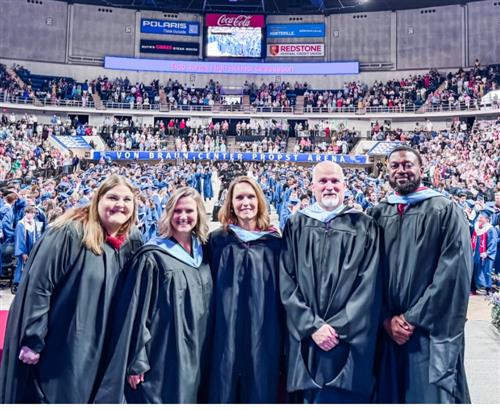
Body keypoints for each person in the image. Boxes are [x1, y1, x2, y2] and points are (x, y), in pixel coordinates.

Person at [0, 175, 143, 403]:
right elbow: (40, 287)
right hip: (65, 343)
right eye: (112, 197)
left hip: (105, 344)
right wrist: (33, 339)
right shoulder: (70, 234)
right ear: (98, 200)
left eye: (127, 199)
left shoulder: (132, 241)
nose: (120, 204)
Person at [370, 146, 472, 403]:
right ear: (388, 171)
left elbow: (453, 273)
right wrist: (385, 319)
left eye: (407, 165)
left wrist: (410, 319)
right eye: (395, 166)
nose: (401, 170)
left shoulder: (445, 210)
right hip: (387, 332)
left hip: (427, 333)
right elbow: (366, 275)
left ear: (421, 170)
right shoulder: (378, 213)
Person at [94, 187, 213, 403]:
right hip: (163, 353)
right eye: (177, 211)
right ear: (168, 214)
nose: (183, 217)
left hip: (196, 352)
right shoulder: (152, 258)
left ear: (199, 214)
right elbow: (136, 312)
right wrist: (137, 360)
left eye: (189, 211)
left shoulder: (203, 254)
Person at [279, 161, 381, 404]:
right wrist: (312, 326)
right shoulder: (297, 224)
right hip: (307, 339)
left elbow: (369, 285)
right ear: (312, 186)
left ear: (344, 186)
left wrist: (337, 329)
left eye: (335, 181)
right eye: (323, 181)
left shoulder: (364, 225)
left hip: (347, 340)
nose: (329, 187)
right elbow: (286, 280)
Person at [207, 176, 283, 403]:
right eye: (239, 197)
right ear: (230, 203)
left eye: (251, 196)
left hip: (264, 334)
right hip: (223, 334)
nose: (245, 202)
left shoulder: (274, 243)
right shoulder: (217, 241)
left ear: (260, 201)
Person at [11, 206, 42, 293]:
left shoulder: (35, 223)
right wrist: (23, 252)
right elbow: (20, 239)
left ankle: (27, 284)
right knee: (21, 265)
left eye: (32, 213)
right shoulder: (20, 224)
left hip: (32, 248)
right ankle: (17, 284)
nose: (30, 215)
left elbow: (38, 236)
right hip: (24, 248)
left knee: (31, 266)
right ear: (25, 213)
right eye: (28, 213)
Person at [471, 208, 497, 295]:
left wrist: (487, 253)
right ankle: (476, 286)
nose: (479, 219)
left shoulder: (490, 229)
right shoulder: (476, 227)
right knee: (475, 268)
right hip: (476, 253)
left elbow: (493, 243)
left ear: (487, 219)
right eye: (479, 217)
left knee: (485, 270)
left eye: (482, 218)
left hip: (485, 254)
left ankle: (486, 288)